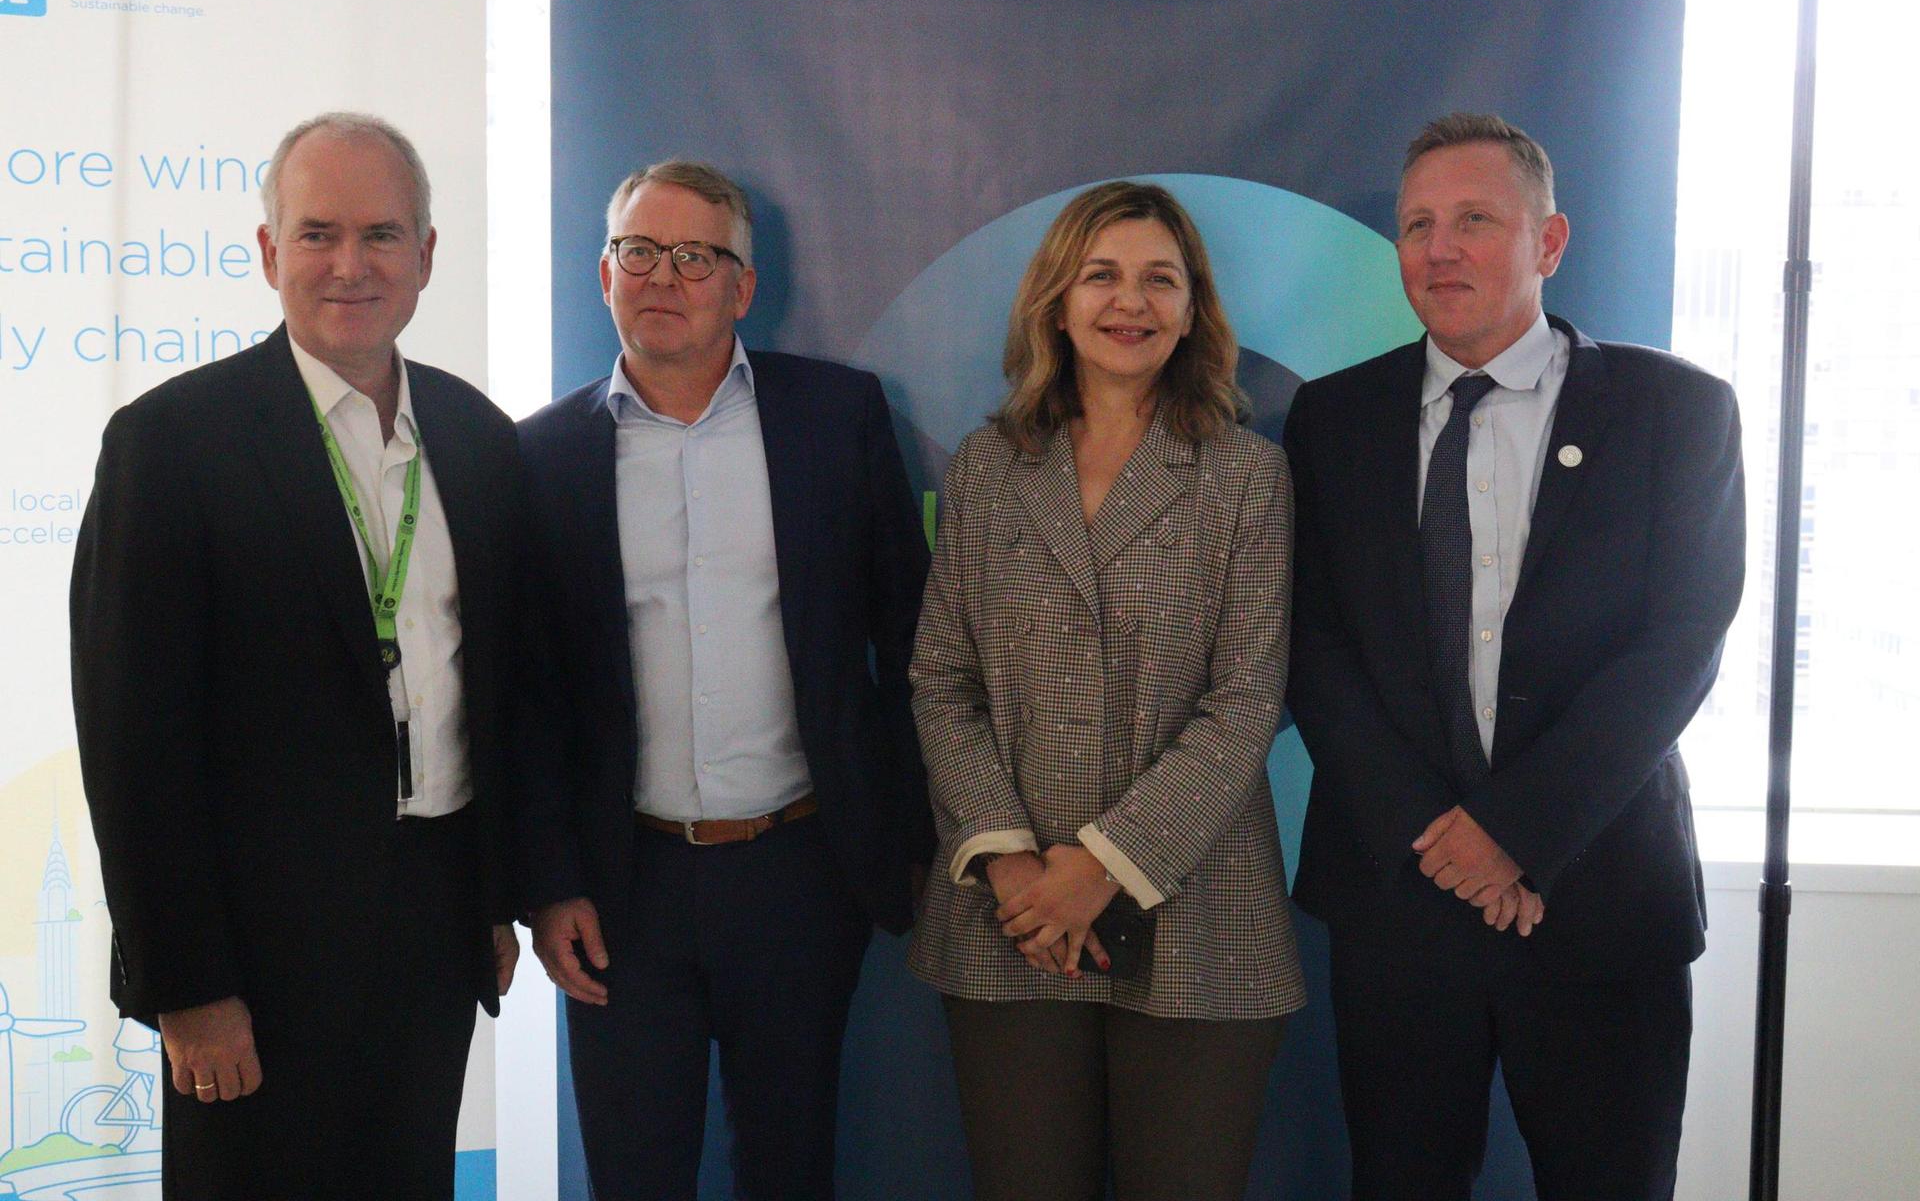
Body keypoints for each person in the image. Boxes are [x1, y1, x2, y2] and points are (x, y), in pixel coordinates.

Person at [1284, 112, 1745, 1200]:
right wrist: (1444, 840)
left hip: (1597, 898)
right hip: (1401, 900)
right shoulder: (1333, 419)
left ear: (1549, 242)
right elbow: (1310, 644)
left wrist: (1516, 833)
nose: (1439, 249)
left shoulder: (1674, 410)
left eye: (1474, 221)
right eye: (1417, 225)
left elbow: (1681, 642)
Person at [70, 112, 524, 1200]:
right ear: (271, 252)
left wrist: (493, 898)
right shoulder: (171, 445)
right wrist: (189, 986)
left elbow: (502, 692)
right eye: (318, 233)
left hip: (430, 927)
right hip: (252, 956)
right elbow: (134, 746)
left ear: (426, 254)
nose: (350, 264)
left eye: (380, 233)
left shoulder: (477, 434)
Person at [515, 159, 932, 1200]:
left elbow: (915, 634)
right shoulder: (540, 455)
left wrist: (906, 835)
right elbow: (528, 697)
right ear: (604, 275)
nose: (664, 276)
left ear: (741, 286)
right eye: (638, 253)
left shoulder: (836, 417)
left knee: (791, 1165)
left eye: (695, 256)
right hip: (623, 886)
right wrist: (550, 877)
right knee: (635, 1170)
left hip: (800, 868)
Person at [907, 180, 1304, 1201]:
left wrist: (1103, 865)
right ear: (1058, 298)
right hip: (1014, 919)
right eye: (1103, 275)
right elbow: (942, 679)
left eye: (1159, 280)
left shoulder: (1248, 476)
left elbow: (1247, 700)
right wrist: (1012, 868)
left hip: (1202, 914)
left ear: (1192, 307)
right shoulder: (991, 467)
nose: (1131, 302)